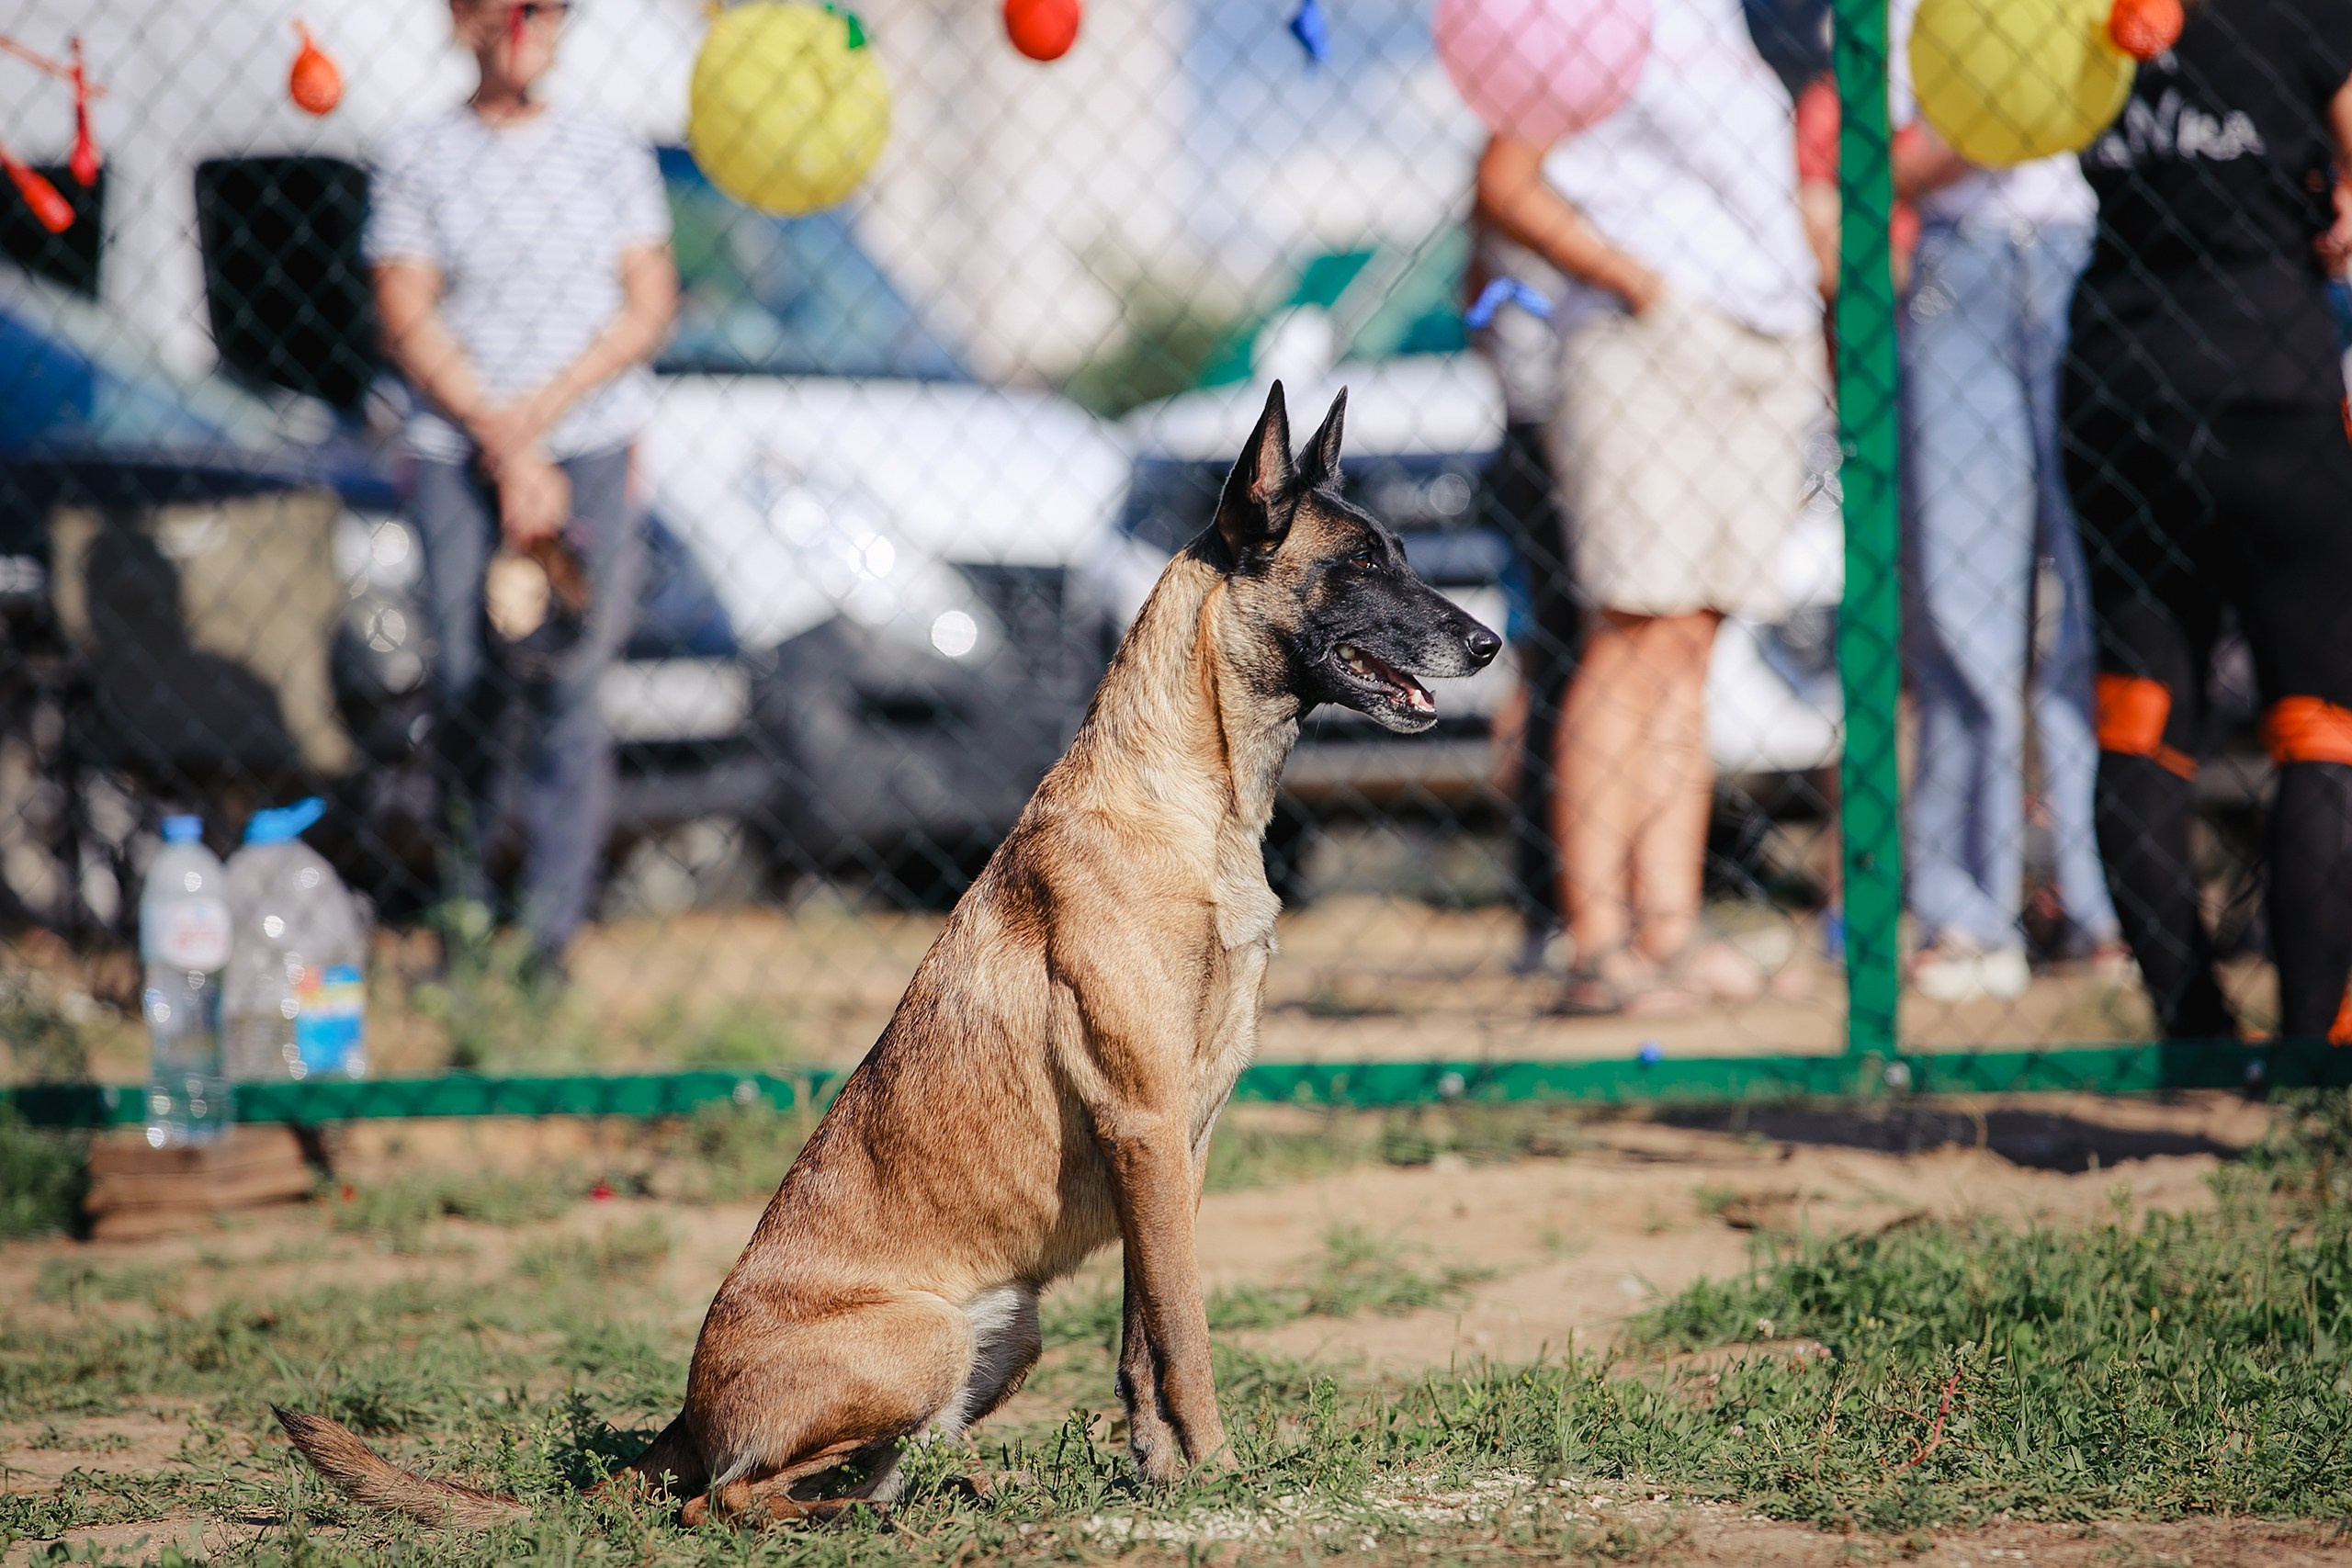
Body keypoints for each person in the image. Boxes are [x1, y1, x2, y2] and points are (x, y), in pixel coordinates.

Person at [1474, 0, 1830, 1013]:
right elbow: (1505, 180)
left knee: (1688, 644)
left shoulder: (1729, 23)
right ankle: (1596, 947)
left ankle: (1666, 934)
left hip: (1760, 343)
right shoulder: (1597, 17)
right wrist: (1640, 282)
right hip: (1649, 346)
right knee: (1630, 635)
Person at [365, 0, 677, 975]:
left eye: (549, 5)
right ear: (461, 18)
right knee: (466, 681)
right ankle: (463, 921)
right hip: (457, 450)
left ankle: (548, 942)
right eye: (508, 4)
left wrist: (537, 422)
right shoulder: (417, 153)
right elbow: (405, 312)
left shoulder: (609, 150)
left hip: (585, 442)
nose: (528, 22)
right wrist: (503, 444)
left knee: (569, 687)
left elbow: (647, 305)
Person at [2063, 0, 2352, 1042]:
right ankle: (2313, 1048)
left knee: (2140, 709)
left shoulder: (2078, 15)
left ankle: (2192, 1033)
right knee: (2321, 720)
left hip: (2118, 378)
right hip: (2269, 376)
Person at [1885, 6, 2126, 1005]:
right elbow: (1886, 161)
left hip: (2092, 252)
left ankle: (2107, 903)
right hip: (1960, 266)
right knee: (1959, 608)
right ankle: (1965, 910)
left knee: (2097, 606)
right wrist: (1998, 125)